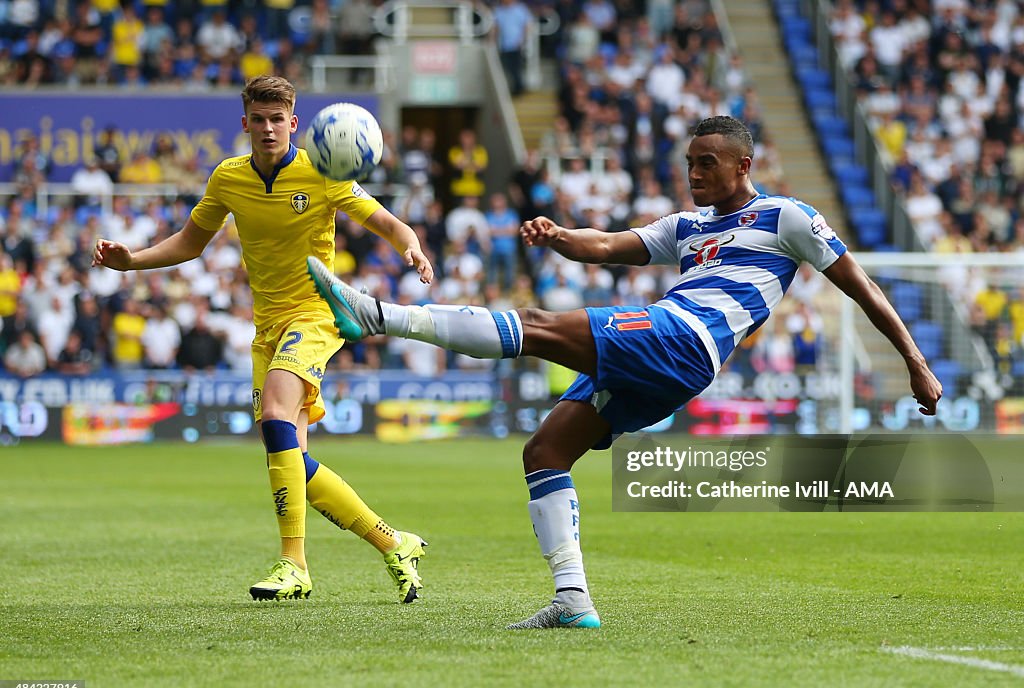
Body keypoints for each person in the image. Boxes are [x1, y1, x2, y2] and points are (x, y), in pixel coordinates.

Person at [307, 116, 943, 629]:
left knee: (535, 325)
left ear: (744, 165)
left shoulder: (788, 218)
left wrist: (914, 361)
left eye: (708, 163)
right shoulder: (687, 226)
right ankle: (572, 599)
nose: (694, 174)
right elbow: (610, 245)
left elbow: (861, 287)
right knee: (546, 449)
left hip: (684, 337)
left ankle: (377, 315)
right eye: (690, 163)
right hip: (669, 353)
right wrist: (558, 236)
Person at [93, 75, 435, 604]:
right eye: (260, 119)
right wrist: (132, 261)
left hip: (317, 312)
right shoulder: (228, 178)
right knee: (289, 456)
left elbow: (388, 223)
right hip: (267, 326)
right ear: (246, 123)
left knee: (276, 414)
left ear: (294, 123)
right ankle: (394, 542)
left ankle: (294, 564)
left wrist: (412, 248)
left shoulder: (323, 173)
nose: (269, 128)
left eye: (279, 119)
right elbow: (190, 241)